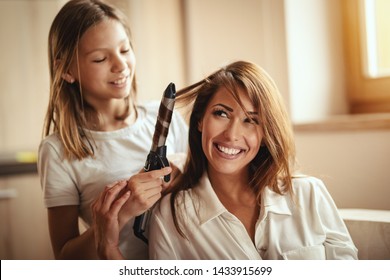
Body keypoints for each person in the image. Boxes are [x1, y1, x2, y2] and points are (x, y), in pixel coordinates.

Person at [92, 60, 358, 260]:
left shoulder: (309, 194)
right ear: (199, 122)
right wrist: (108, 246)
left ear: (266, 133)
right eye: (221, 114)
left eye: (251, 120)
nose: (232, 135)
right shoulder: (172, 216)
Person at [37, 0, 188, 260]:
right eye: (100, 58)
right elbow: (65, 258)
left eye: (125, 49)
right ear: (67, 71)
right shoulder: (58, 151)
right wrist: (123, 211)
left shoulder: (166, 119)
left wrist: (184, 169)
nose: (121, 65)